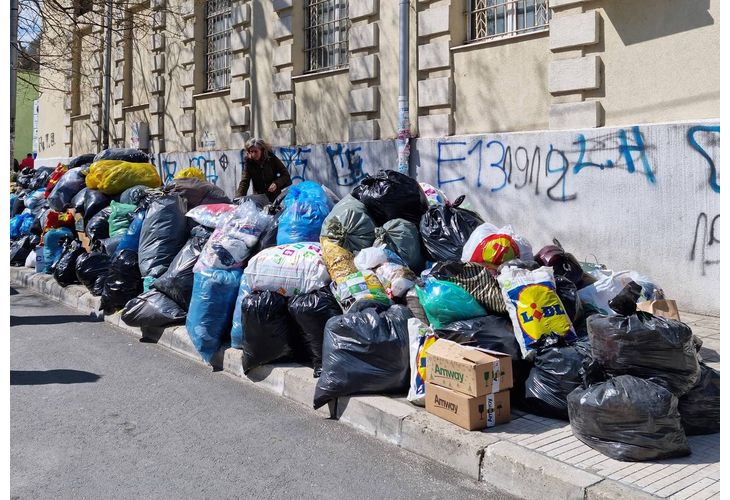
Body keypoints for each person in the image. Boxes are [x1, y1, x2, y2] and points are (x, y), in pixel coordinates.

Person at [235, 138, 292, 202]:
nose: (253, 154)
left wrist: (276, 184)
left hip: (275, 196)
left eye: (256, 151)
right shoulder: (249, 163)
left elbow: (285, 175)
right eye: (251, 152)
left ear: (262, 150)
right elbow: (244, 182)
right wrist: (238, 199)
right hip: (259, 198)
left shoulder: (271, 159)